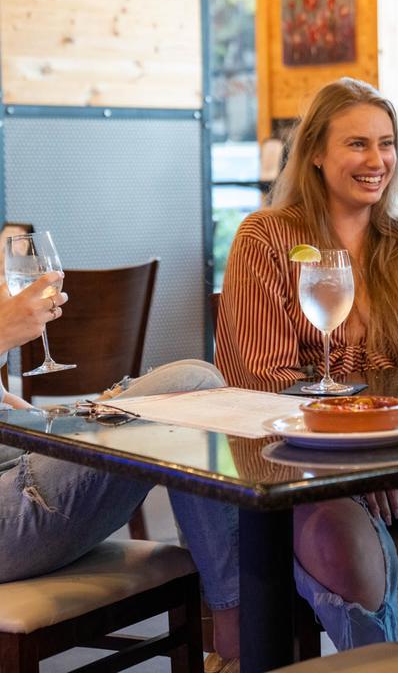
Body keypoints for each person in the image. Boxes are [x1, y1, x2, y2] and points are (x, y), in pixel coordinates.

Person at [215, 77, 398, 649]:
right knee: (346, 550)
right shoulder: (267, 237)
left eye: (386, 143)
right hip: (303, 459)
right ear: (315, 153)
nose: (378, 161)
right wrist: (355, 453)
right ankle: (380, 656)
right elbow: (264, 380)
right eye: (357, 144)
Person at [0, 272, 240, 672]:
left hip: (15, 457)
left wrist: (59, 423)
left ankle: (234, 621)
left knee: (190, 379)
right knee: (190, 384)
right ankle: (237, 630)